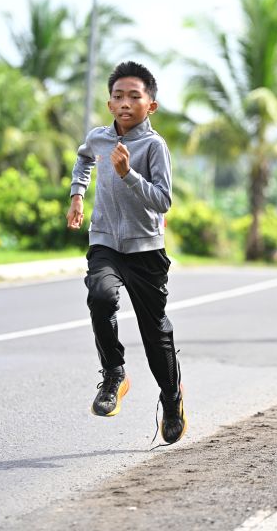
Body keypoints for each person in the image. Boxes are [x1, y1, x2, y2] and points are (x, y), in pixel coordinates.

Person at [66, 61, 187, 445]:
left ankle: (171, 397)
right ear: (109, 103)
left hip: (146, 250)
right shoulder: (99, 138)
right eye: (118, 96)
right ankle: (114, 374)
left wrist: (128, 175)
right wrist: (77, 194)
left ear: (151, 105)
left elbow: (163, 201)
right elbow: (84, 157)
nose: (125, 103)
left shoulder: (154, 146)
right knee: (101, 296)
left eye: (134, 96)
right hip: (105, 241)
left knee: (155, 333)